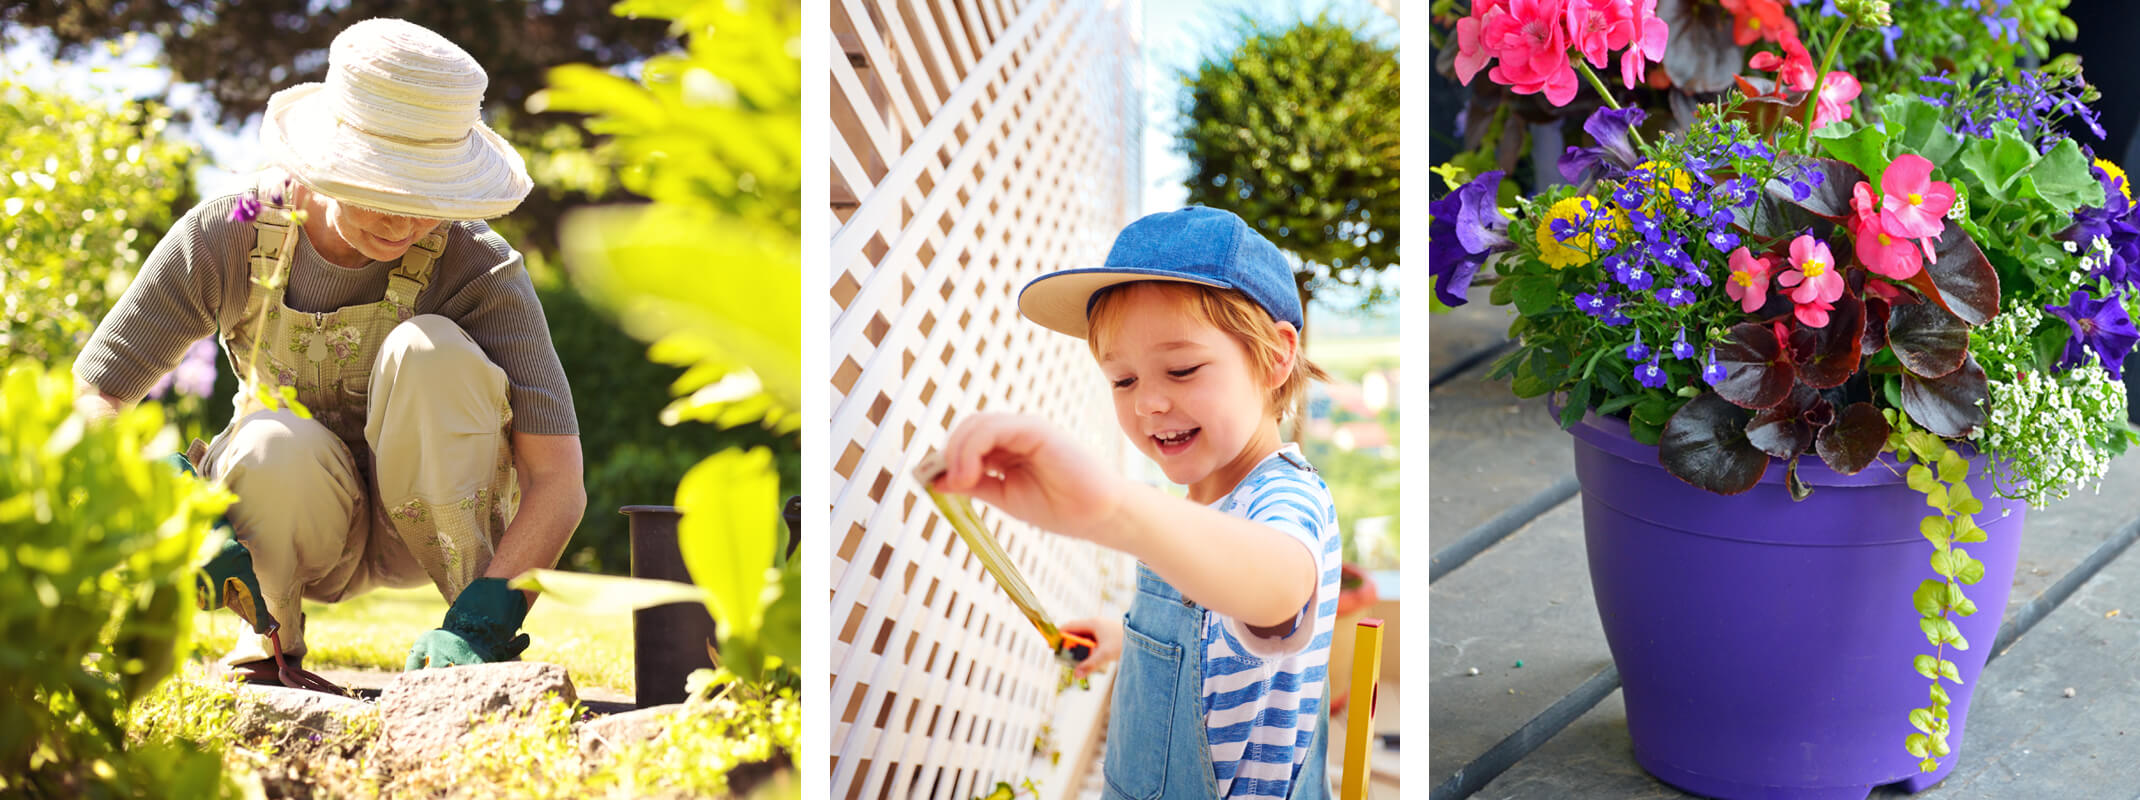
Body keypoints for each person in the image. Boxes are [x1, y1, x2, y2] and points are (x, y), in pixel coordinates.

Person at [70, 18, 585, 683]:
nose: (406, 222)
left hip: (431, 525)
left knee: (430, 352)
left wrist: (495, 608)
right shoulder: (233, 230)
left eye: (428, 195)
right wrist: (160, 495)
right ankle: (270, 640)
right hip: (287, 517)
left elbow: (557, 479)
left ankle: (464, 649)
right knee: (268, 442)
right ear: (327, 161)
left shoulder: (474, 264)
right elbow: (96, 396)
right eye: (383, 189)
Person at [931, 207, 1340, 800]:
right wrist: (1128, 638)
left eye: (1181, 368)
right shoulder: (1201, 501)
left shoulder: (1283, 495)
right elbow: (1209, 626)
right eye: (1122, 380)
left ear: (1275, 358)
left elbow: (1275, 585)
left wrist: (1111, 508)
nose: (1148, 402)